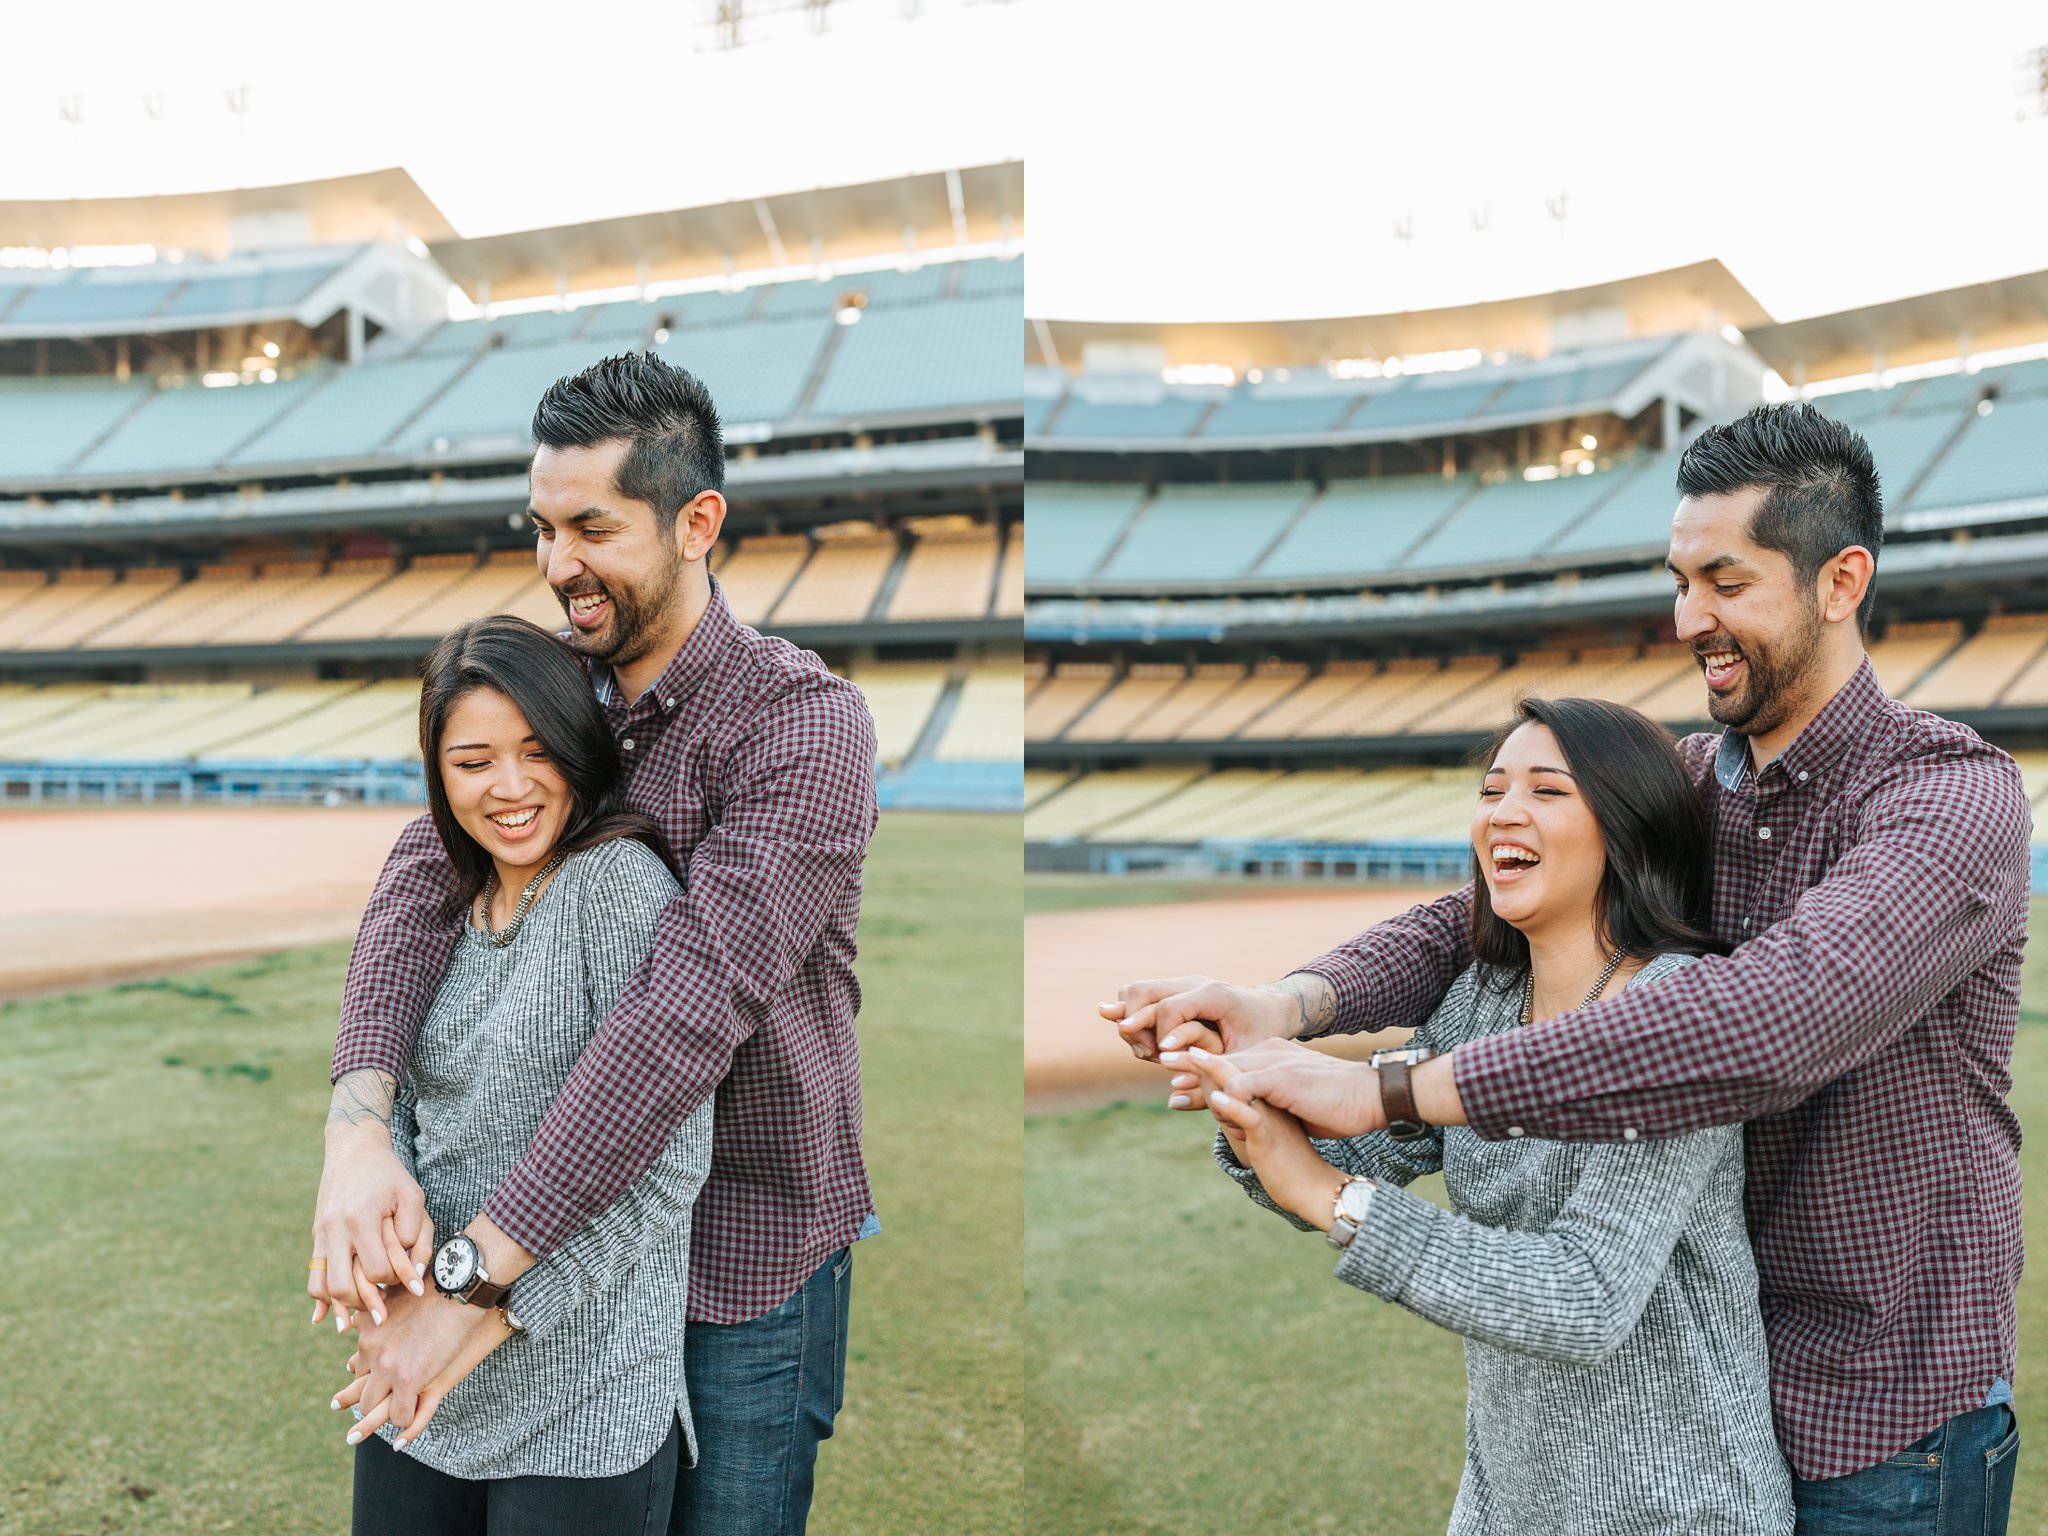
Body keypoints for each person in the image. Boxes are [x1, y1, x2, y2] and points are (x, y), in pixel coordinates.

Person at [1113, 402, 2028, 1532]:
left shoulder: (1947, 798)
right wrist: (1279, 1008)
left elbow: (1767, 1026)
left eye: (1725, 582)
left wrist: (1382, 1089)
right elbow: (1471, 919)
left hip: (1879, 1412)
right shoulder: (1684, 783)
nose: (1689, 616)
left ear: (1839, 582)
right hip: (1695, 1391)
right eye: (1679, 579)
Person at [308, 353, 880, 1536]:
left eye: (591, 527)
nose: (557, 563)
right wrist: (356, 1127)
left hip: (740, 1255)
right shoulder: (565, 688)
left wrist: (472, 1284)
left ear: (696, 523)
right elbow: (426, 870)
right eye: (542, 527)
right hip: (560, 1243)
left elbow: (678, 1022)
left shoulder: (802, 727)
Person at [1178, 695, 1792, 1534]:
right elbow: (1381, 1157)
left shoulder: (1672, 1009)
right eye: (1492, 789)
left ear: (1626, 825)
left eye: (1546, 791)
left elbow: (1586, 1296)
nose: (1503, 811)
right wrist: (1249, 1110)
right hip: (1509, 1499)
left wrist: (1331, 1199)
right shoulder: (1485, 999)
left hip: (1679, 1507)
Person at [327, 614, 709, 1532]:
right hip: (420, 1380)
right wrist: (378, 1246)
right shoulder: (446, 899)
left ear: (578, 745)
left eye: (537, 750)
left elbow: (664, 1168)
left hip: (584, 1404)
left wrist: (468, 1318)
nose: (509, 787)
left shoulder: (616, 885)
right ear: (437, 772)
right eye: (472, 761)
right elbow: (413, 1112)